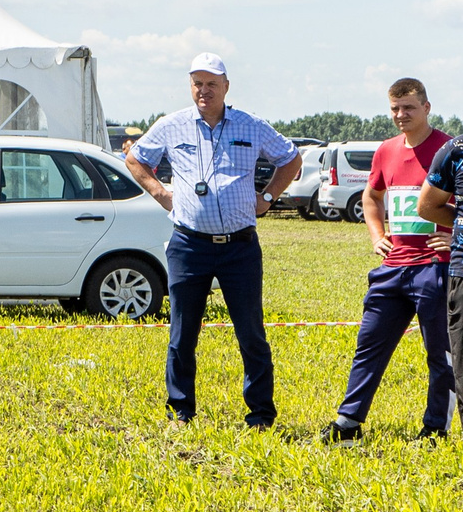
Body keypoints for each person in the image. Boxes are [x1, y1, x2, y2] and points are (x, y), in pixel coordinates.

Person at [124, 53, 301, 428]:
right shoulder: (171, 126)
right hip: (189, 244)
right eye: (197, 83)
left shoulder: (250, 126)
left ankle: (260, 416)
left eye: (212, 83)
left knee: (250, 332)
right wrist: (161, 193)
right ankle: (180, 412)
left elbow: (291, 159)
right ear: (191, 87)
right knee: (182, 333)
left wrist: (267, 198)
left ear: (226, 87)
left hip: (239, 246)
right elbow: (137, 160)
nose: (204, 90)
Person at [343, 78, 457, 440]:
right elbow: (371, 197)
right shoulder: (386, 151)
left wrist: (455, 237)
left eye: (408, 107)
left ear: (426, 107)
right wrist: (377, 235)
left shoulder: (449, 150)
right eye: (394, 108)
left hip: (436, 270)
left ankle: (435, 427)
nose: (400, 115)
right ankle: (348, 423)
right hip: (392, 270)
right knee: (368, 347)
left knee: (441, 355)